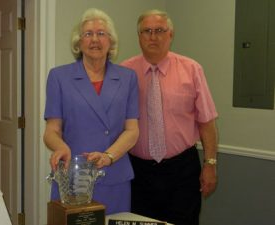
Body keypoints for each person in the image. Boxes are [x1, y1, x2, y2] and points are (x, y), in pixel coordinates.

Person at [121, 9, 218, 225]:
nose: (153, 36)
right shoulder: (124, 73)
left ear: (170, 35)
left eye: (159, 31)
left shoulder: (192, 69)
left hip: (182, 170)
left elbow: (207, 122)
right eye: (147, 31)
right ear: (139, 36)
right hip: (139, 172)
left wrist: (210, 164)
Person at [43, 8, 139, 215]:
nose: (95, 39)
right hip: (73, 177)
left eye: (101, 33)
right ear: (78, 42)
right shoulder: (59, 77)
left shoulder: (128, 78)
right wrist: (61, 147)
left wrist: (109, 156)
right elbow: (51, 130)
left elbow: (132, 130)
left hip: (115, 175)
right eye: (88, 34)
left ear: (111, 41)